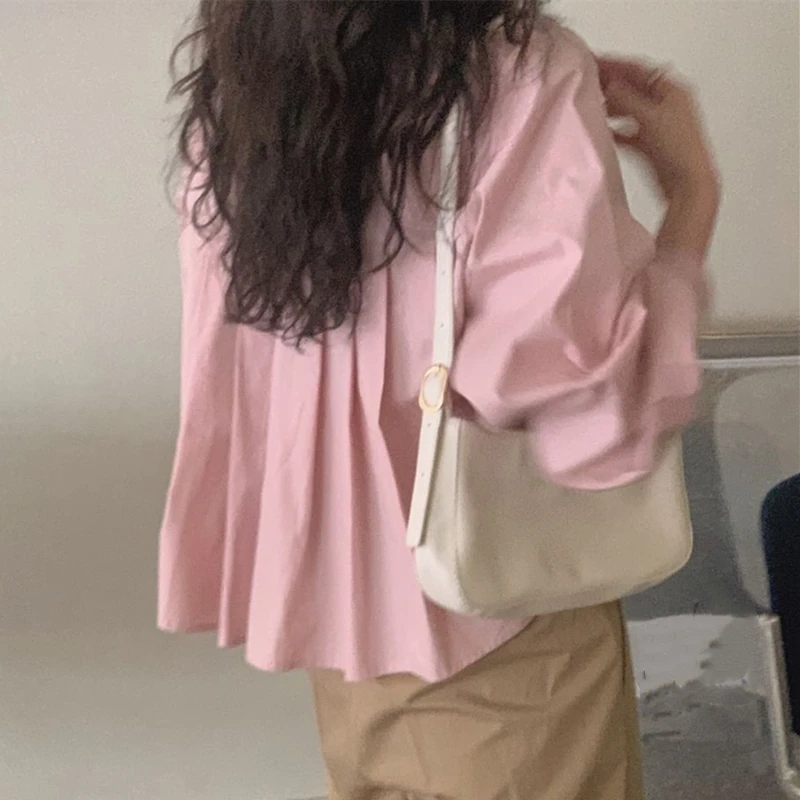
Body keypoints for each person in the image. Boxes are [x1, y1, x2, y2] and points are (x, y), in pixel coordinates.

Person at [158, 2, 720, 798]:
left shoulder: (254, 80)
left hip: (348, 643)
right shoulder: (516, 75)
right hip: (503, 637)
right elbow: (592, 421)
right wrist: (692, 198)